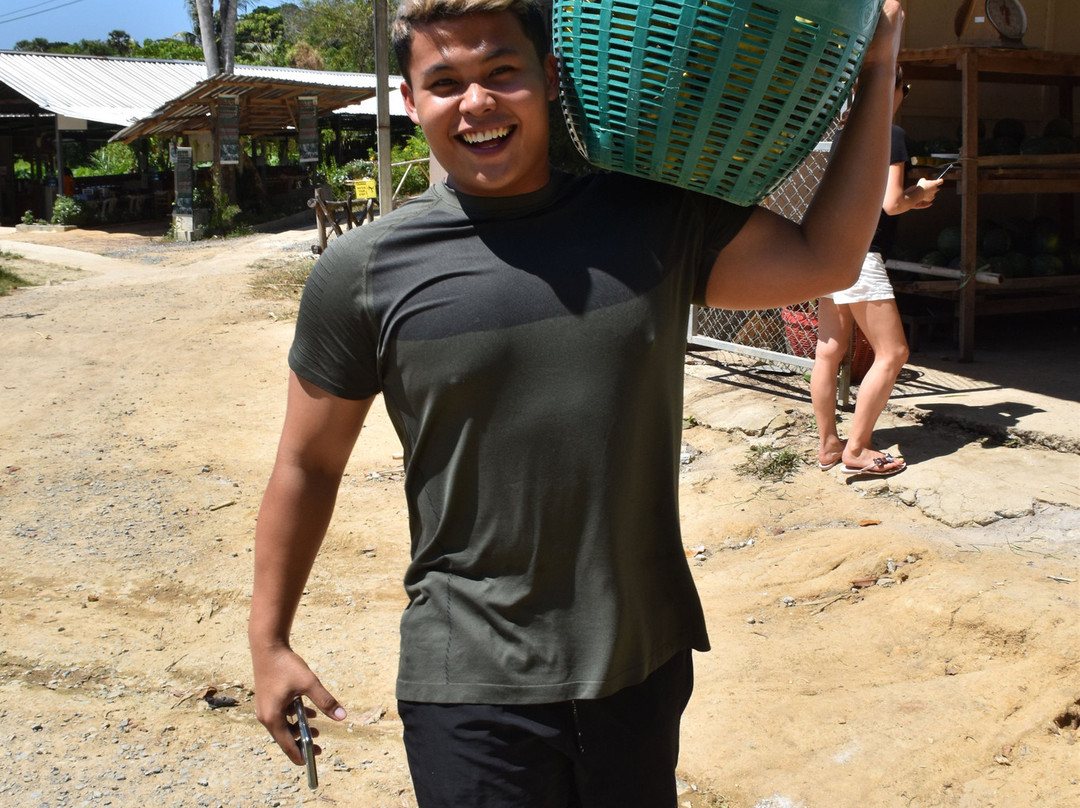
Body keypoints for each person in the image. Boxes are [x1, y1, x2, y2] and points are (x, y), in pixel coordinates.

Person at [248, 1, 906, 805]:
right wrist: (268, 637)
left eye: (501, 73)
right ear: (411, 103)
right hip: (469, 684)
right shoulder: (362, 274)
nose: (478, 102)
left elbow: (825, 254)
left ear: (551, 78)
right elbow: (306, 464)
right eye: (445, 82)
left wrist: (878, 68)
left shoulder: (648, 222)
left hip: (638, 665)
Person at [811, 65, 942, 478]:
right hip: (863, 256)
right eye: (905, 85)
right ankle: (859, 447)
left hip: (830, 252)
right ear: (893, 88)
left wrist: (908, 198)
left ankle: (830, 444)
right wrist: (920, 192)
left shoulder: (846, 134)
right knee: (894, 352)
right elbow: (890, 204)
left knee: (829, 350)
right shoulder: (891, 133)